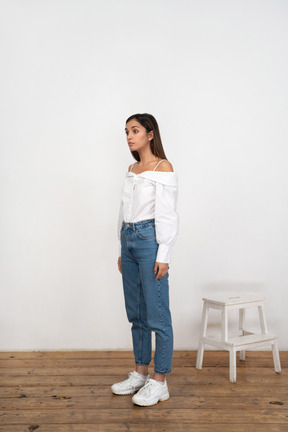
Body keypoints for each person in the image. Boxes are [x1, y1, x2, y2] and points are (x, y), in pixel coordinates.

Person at [111, 113, 179, 407]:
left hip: (150, 242)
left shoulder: (163, 168)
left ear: (150, 134)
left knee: (157, 314)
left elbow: (167, 214)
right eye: (126, 131)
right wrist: (121, 246)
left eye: (135, 130)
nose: (129, 135)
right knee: (135, 313)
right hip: (129, 241)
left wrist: (163, 255)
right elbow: (124, 209)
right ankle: (140, 372)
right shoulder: (132, 168)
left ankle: (160, 381)